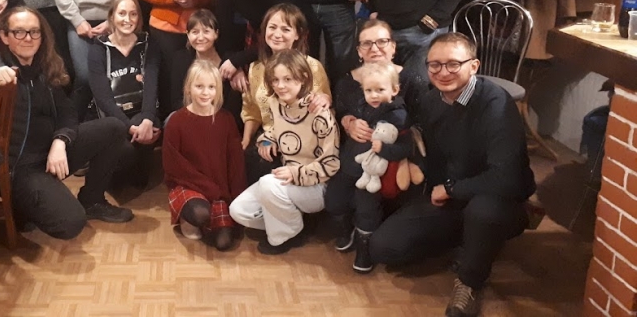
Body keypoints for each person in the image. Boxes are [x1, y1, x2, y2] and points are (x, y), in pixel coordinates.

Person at [369, 33, 535, 317]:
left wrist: (451, 188)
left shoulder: (496, 103)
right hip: (450, 197)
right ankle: (473, 242)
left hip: (494, 196)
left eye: (453, 64)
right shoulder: (431, 101)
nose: (443, 72)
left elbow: (506, 176)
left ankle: (470, 281)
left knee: (483, 212)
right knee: (384, 247)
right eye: (434, 65)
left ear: (474, 66)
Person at [0, 7, 136, 236]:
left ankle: (92, 200)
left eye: (34, 32)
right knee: (70, 224)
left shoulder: (45, 67)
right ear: (5, 36)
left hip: (51, 154)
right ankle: (23, 206)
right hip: (20, 169)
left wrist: (60, 141)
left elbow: (67, 112)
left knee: (114, 127)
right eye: (19, 32)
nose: (28, 38)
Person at [229, 49, 340, 255]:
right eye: (275, 80)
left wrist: (295, 173)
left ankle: (285, 236)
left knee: (268, 184)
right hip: (288, 182)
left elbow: (330, 164)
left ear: (303, 77)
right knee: (239, 211)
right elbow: (277, 130)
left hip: (317, 186)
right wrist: (266, 139)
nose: (280, 86)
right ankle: (293, 223)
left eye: (287, 79)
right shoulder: (276, 103)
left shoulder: (319, 114)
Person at [325, 62, 412, 274]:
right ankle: (347, 227)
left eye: (380, 90)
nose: (374, 95)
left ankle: (364, 245)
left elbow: (405, 148)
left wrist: (384, 148)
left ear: (394, 90)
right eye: (368, 90)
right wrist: (350, 122)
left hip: (373, 173)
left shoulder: (398, 115)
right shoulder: (362, 106)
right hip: (351, 162)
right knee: (334, 200)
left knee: (367, 209)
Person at [241, 3, 331, 185]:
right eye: (272, 27)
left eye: (285, 29)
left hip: (303, 143)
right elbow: (252, 112)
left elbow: (322, 108)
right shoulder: (256, 69)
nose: (277, 34)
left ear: (298, 34)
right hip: (267, 141)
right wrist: (245, 142)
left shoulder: (312, 67)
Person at [163, 60, 246, 251]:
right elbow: (174, 166)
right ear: (188, 88)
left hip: (219, 191)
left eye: (211, 87)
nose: (205, 92)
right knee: (201, 213)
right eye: (199, 86)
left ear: (218, 90)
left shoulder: (226, 119)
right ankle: (187, 219)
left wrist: (236, 199)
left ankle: (210, 218)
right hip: (189, 185)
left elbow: (235, 163)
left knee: (224, 243)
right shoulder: (177, 121)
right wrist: (208, 188)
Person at [87, 0, 160, 188]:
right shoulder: (98, 49)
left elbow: (151, 84)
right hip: (112, 117)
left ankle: (139, 170)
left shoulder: (148, 43)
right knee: (124, 152)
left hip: (141, 112)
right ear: (112, 16)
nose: (128, 19)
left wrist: (147, 118)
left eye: (133, 14)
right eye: (122, 13)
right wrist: (128, 126)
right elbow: (102, 98)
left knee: (149, 130)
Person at [333, 19, 428, 138]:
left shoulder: (411, 80)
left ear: (393, 46)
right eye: (366, 43)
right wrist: (349, 124)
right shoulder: (345, 83)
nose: (374, 48)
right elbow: (339, 116)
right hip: (358, 146)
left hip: (400, 145)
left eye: (382, 41)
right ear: (359, 51)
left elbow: (423, 123)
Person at [169, 10, 242, 124]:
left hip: (220, 119)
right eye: (195, 32)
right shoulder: (180, 59)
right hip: (190, 117)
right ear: (188, 34)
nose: (200, 37)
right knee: (171, 119)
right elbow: (176, 101)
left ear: (216, 33)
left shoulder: (229, 62)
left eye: (206, 31)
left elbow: (233, 107)